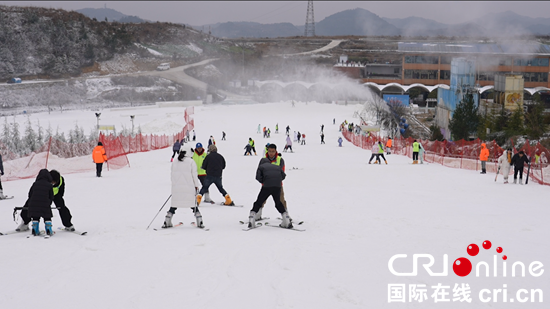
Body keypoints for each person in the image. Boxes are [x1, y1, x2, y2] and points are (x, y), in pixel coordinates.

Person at [249, 144, 291, 229]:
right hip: (269, 184)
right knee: (262, 201)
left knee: (281, 200)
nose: (271, 153)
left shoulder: (280, 159)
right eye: (270, 151)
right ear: (267, 151)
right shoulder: (264, 159)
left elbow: (282, 171)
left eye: (273, 151)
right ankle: (258, 215)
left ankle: (286, 217)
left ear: (276, 151)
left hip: (277, 184)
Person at [163, 150, 203, 228]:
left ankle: (167, 220)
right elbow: (194, 176)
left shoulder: (175, 162)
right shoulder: (191, 162)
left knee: (175, 204)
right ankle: (199, 221)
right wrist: (196, 186)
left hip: (177, 188)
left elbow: (172, 175)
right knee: (193, 204)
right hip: (189, 188)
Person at [27, 169, 54, 236]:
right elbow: (51, 196)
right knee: (47, 217)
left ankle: (35, 229)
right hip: (45, 204)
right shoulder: (49, 185)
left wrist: (31, 203)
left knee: (35, 217)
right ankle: (49, 230)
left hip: (34, 204)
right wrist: (48, 203)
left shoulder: (35, 184)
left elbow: (30, 194)